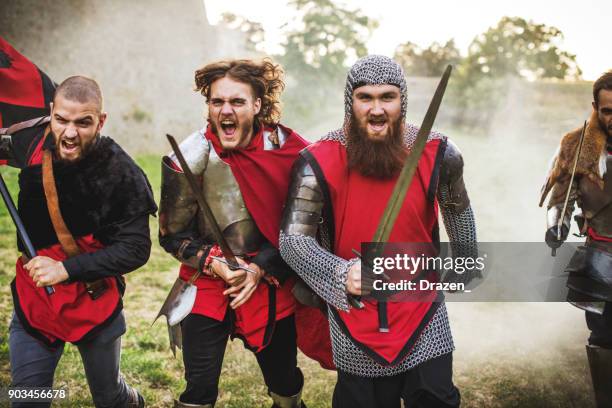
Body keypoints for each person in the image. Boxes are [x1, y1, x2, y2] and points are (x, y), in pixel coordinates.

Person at [279, 55, 478, 408]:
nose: (376, 109)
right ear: (349, 102)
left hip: (422, 307)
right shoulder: (318, 160)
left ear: (402, 100)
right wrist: (341, 273)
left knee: (436, 400)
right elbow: (293, 240)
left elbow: (457, 209)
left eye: (387, 97)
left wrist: (466, 257)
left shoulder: (438, 152)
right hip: (355, 312)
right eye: (365, 97)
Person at [0, 68, 157, 406]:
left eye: (83, 123)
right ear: (51, 115)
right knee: (28, 399)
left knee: (108, 397)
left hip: (93, 299)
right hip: (36, 297)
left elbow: (136, 249)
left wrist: (65, 269)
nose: (69, 133)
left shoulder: (122, 173)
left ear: (101, 121)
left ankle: (132, 400)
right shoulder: (29, 143)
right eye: (61, 120)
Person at [158, 59, 308, 408]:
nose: (226, 110)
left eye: (237, 102)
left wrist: (258, 269)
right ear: (208, 105)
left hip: (270, 278)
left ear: (257, 105)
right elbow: (171, 235)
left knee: (285, 386)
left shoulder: (289, 151)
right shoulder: (188, 157)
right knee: (198, 391)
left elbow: (302, 228)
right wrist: (217, 264)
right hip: (206, 281)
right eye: (217, 102)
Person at [540, 70, 612, 407]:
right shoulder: (577, 144)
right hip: (601, 256)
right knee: (604, 337)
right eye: (608, 110)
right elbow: (560, 200)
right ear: (596, 107)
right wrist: (557, 225)